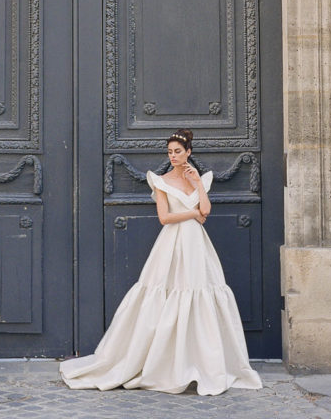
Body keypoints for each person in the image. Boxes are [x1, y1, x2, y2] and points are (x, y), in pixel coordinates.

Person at [59, 128, 262, 395]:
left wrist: (198, 185)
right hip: (172, 243)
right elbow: (165, 218)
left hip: (196, 245)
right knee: (165, 293)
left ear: (189, 152)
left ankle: (198, 363)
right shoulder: (161, 181)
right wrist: (192, 213)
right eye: (170, 152)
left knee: (199, 291)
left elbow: (207, 210)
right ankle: (159, 364)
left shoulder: (198, 179)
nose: (173, 156)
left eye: (178, 151)